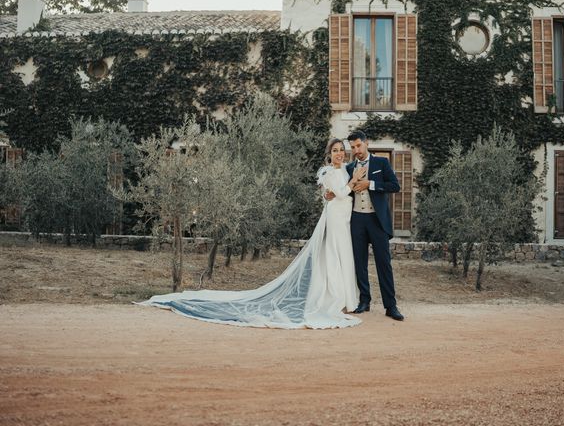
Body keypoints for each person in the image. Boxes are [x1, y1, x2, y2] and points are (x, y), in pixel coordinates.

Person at [138, 138, 367, 329]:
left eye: (341, 151)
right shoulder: (328, 172)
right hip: (334, 220)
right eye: (335, 151)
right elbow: (337, 193)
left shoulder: (346, 170)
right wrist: (352, 183)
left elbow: (341, 192)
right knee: (333, 258)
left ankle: (348, 300)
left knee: (345, 257)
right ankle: (334, 300)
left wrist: (353, 182)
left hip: (345, 220)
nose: (339, 154)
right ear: (329, 154)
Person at [326, 130, 404, 321]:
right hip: (356, 220)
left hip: (377, 220)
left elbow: (395, 186)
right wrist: (329, 195)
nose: (356, 150)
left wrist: (370, 183)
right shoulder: (349, 167)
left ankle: (391, 306)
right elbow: (340, 188)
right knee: (359, 263)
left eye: (359, 145)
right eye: (352, 147)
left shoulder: (381, 163)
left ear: (366, 143)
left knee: (383, 263)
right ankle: (364, 301)